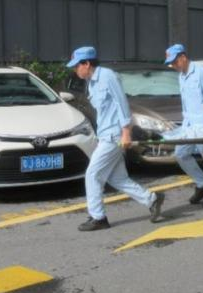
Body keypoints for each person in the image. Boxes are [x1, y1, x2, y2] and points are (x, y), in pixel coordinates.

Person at [67, 46, 165, 231]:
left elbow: (122, 103)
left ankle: (98, 217)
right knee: (117, 178)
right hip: (105, 134)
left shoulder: (108, 76)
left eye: (77, 65)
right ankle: (152, 199)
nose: (75, 69)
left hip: (114, 135)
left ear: (87, 63)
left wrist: (126, 131)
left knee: (93, 174)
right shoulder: (91, 82)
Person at [165, 43, 203, 208]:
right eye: (171, 63)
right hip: (189, 123)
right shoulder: (181, 76)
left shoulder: (201, 72)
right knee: (180, 154)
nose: (173, 65)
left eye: (175, 62)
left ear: (183, 57)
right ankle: (202, 183)